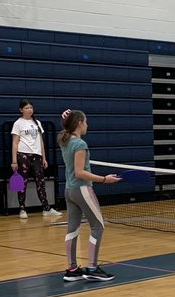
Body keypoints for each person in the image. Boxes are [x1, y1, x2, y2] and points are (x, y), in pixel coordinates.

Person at [59, 109, 120, 282]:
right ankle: (92, 268)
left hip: (69, 191)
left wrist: (64, 118)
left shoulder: (64, 140)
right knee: (98, 226)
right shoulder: (80, 144)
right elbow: (80, 172)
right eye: (85, 121)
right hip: (82, 190)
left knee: (72, 229)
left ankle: (72, 269)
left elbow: (65, 127)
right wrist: (104, 179)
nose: (87, 125)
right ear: (79, 123)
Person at [11, 99, 62, 220]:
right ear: (21, 110)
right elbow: (15, 142)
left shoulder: (37, 123)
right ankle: (22, 208)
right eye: (27, 108)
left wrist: (44, 157)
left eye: (31, 108)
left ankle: (46, 208)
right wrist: (14, 160)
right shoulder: (18, 123)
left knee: (41, 182)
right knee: (22, 182)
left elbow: (40, 141)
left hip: (37, 155)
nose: (29, 110)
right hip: (23, 154)